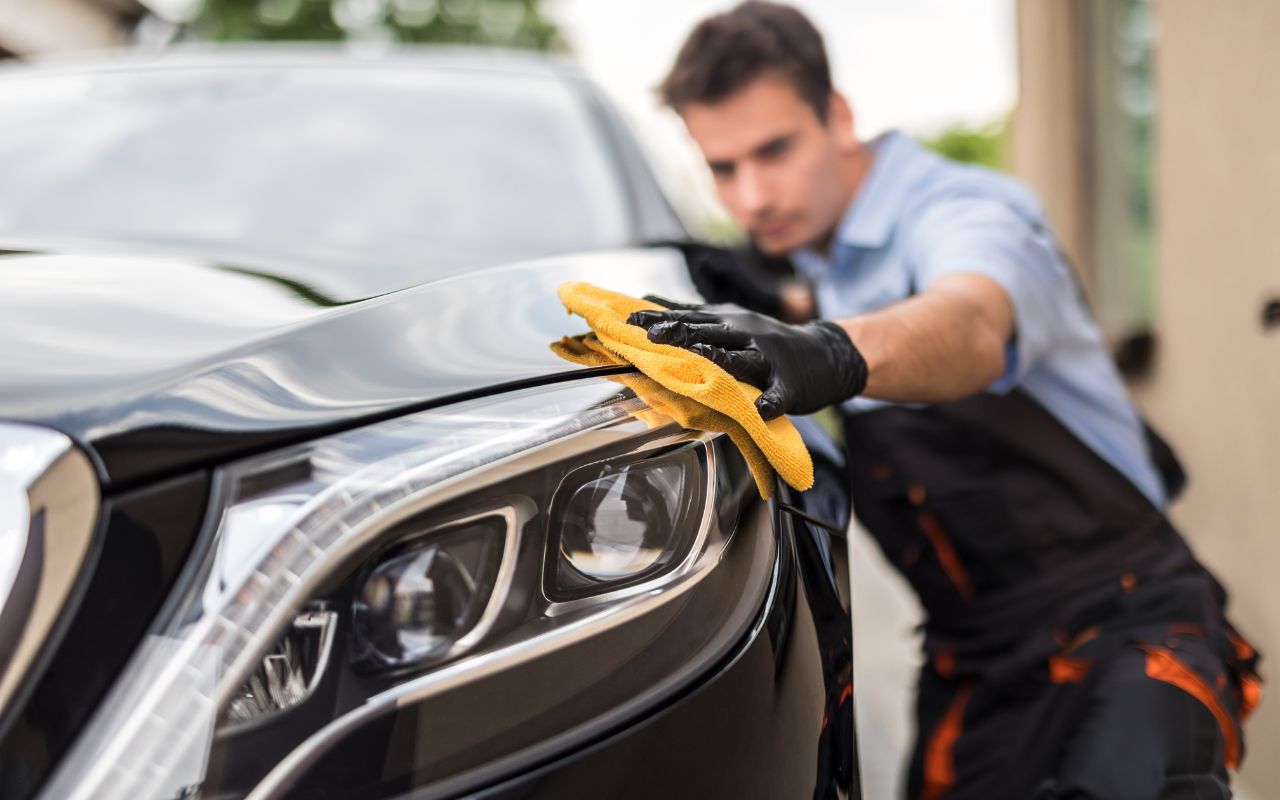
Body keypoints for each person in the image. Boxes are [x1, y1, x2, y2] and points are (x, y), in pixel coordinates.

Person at [629, 3, 1262, 798]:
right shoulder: (823, 254)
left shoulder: (964, 211)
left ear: (839, 115)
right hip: (978, 671)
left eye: (775, 151)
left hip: (1126, 630)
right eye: (723, 169)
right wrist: (783, 307)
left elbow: (970, 322)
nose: (752, 197)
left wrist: (831, 351)